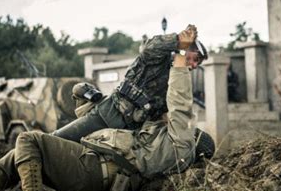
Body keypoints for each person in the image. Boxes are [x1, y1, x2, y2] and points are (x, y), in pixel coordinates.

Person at [0, 49, 215, 191]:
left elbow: (180, 103)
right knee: (21, 152)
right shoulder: (166, 149)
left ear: (193, 143)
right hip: (98, 170)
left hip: (96, 171)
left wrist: (182, 57)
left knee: (28, 140)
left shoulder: (179, 145)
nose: (185, 128)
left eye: (192, 132)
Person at [52, 24, 208, 142]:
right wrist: (177, 40)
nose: (194, 65)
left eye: (198, 63)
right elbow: (150, 47)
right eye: (194, 58)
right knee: (58, 140)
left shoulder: (178, 81)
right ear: (184, 49)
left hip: (129, 135)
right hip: (108, 115)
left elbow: (166, 114)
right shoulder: (158, 59)